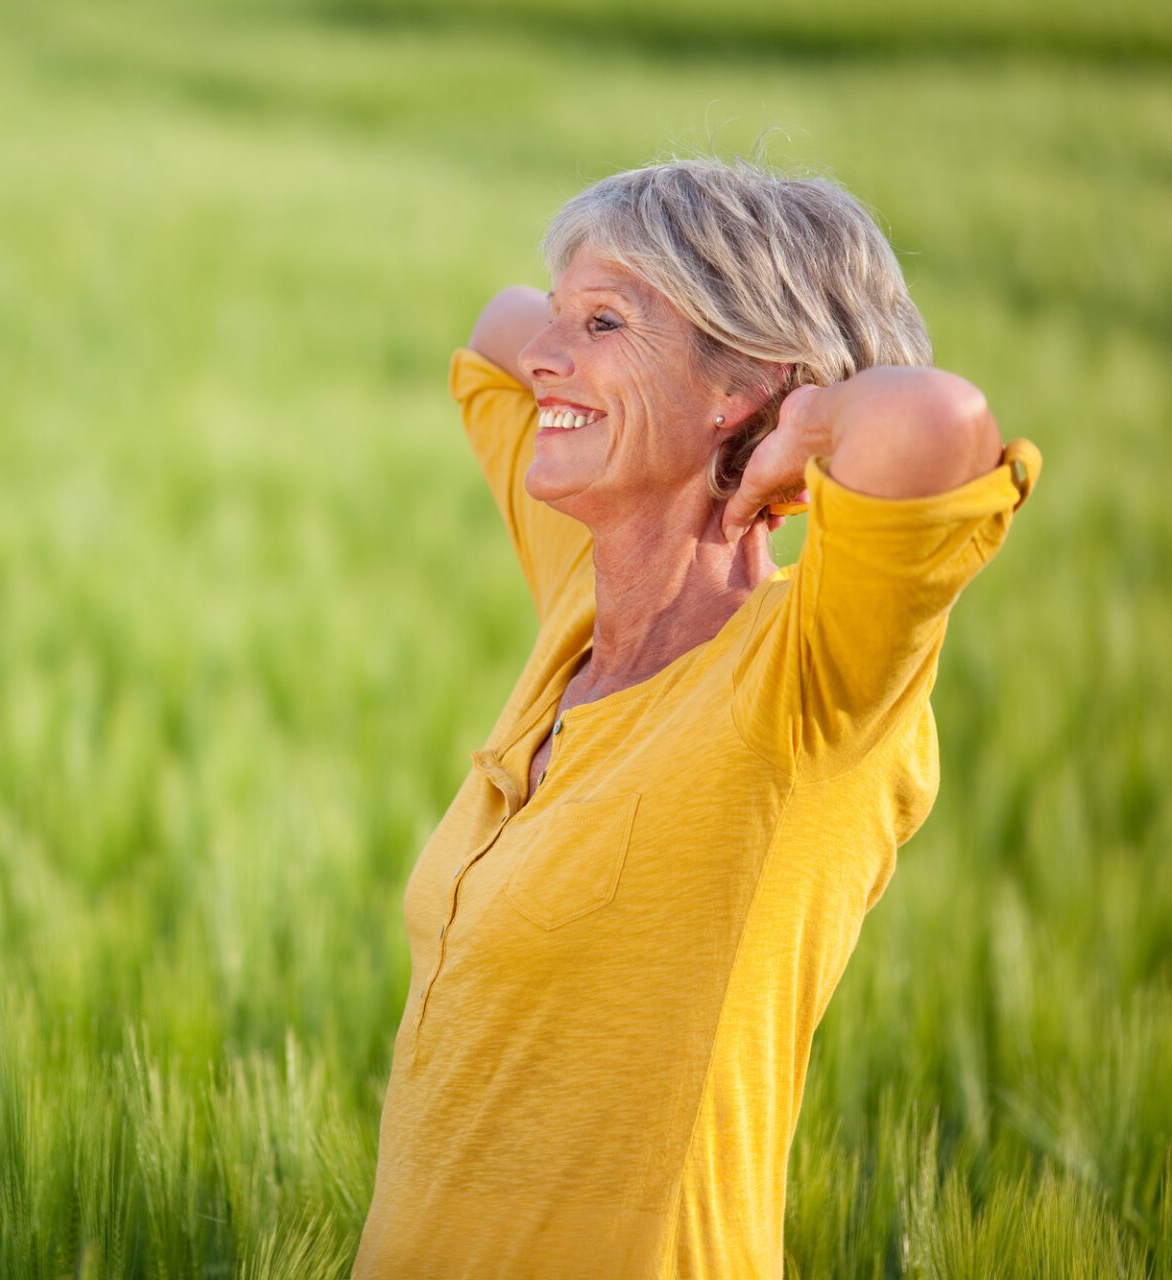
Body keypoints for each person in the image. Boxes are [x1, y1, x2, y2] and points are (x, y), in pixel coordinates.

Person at [351, 156, 1042, 1279]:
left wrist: (800, 416)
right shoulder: (589, 585)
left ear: (740, 386)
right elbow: (498, 330)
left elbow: (938, 421)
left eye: (607, 322)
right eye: (568, 316)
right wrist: (608, 322)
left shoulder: (810, 681)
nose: (545, 358)